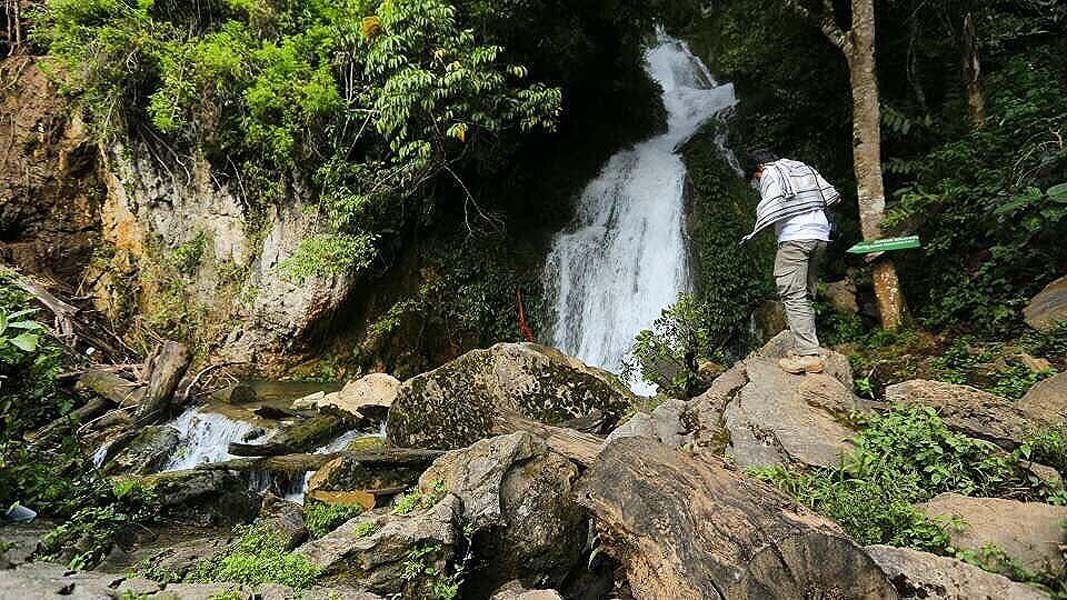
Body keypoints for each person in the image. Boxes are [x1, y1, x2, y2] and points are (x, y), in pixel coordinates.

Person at [741, 150, 840, 374]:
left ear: (758, 169)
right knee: (804, 294)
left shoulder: (771, 173)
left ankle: (808, 355)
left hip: (796, 238)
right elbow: (833, 195)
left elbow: (773, 201)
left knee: (792, 294)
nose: (757, 184)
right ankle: (808, 347)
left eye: (755, 179)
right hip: (820, 235)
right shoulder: (800, 167)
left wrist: (756, 228)